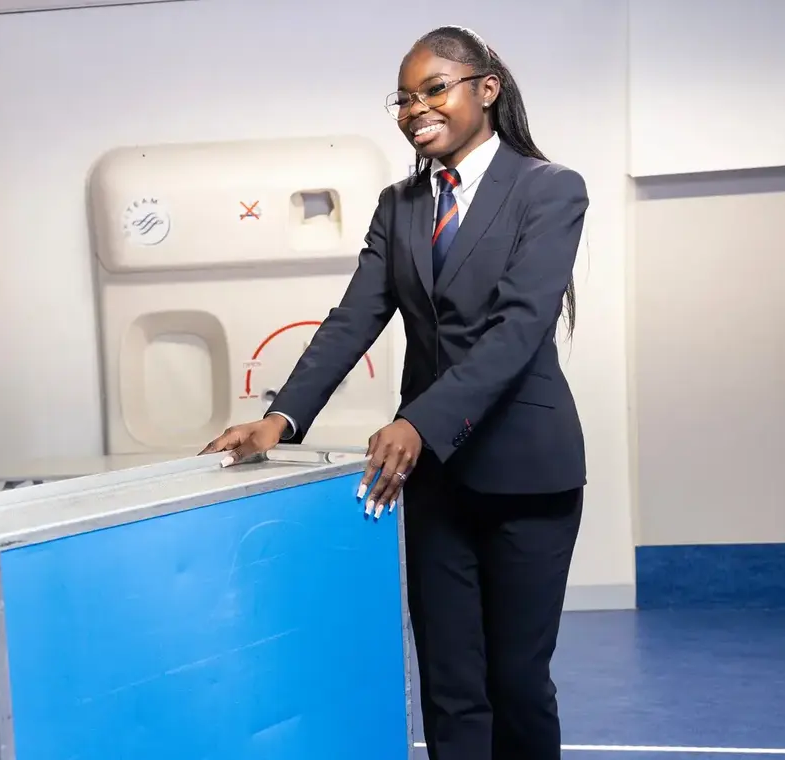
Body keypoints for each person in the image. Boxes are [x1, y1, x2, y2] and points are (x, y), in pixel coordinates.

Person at [199, 25, 587, 760]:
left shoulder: (549, 188)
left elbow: (517, 329)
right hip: (437, 478)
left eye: (434, 89)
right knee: (448, 681)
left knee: (516, 681)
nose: (416, 109)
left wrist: (418, 421)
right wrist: (280, 419)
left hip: (527, 474)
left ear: (486, 90)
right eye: (404, 99)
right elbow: (354, 318)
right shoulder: (400, 204)